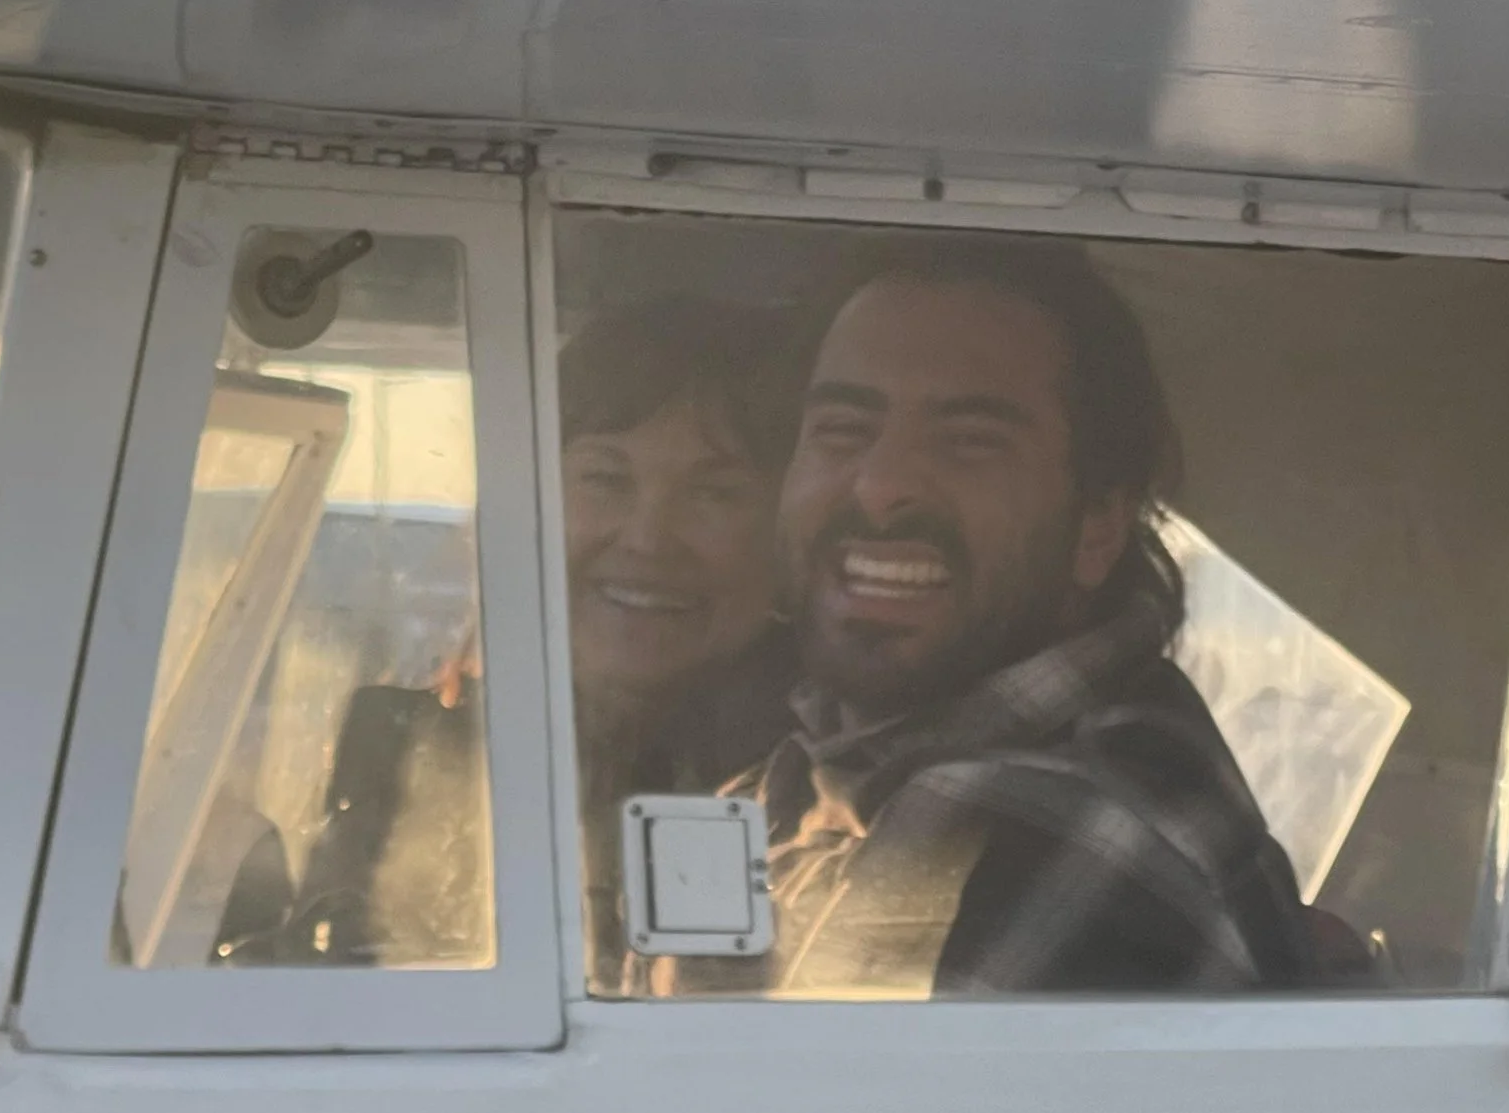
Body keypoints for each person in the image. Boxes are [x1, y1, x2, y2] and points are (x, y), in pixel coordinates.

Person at [669, 240, 1310, 997]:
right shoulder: (796, 776)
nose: (880, 488)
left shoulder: (1030, 830)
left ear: (1098, 524)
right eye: (842, 430)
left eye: (970, 442)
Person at [559, 299, 798, 983]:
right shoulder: (449, 743)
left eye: (715, 493)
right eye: (605, 478)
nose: (647, 538)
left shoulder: (807, 792)